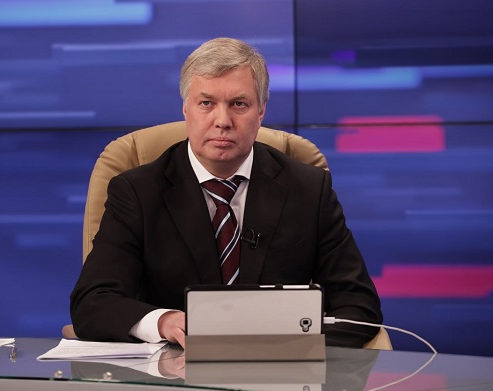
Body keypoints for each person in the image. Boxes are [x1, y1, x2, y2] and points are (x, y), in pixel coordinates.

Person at [70, 37, 382, 348]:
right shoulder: (137, 192)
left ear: (261, 111)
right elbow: (93, 302)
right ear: (186, 109)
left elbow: (359, 306)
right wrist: (164, 322)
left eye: (239, 104)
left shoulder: (309, 190)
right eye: (206, 103)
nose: (222, 121)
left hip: (281, 369)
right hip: (171, 369)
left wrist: (290, 346)